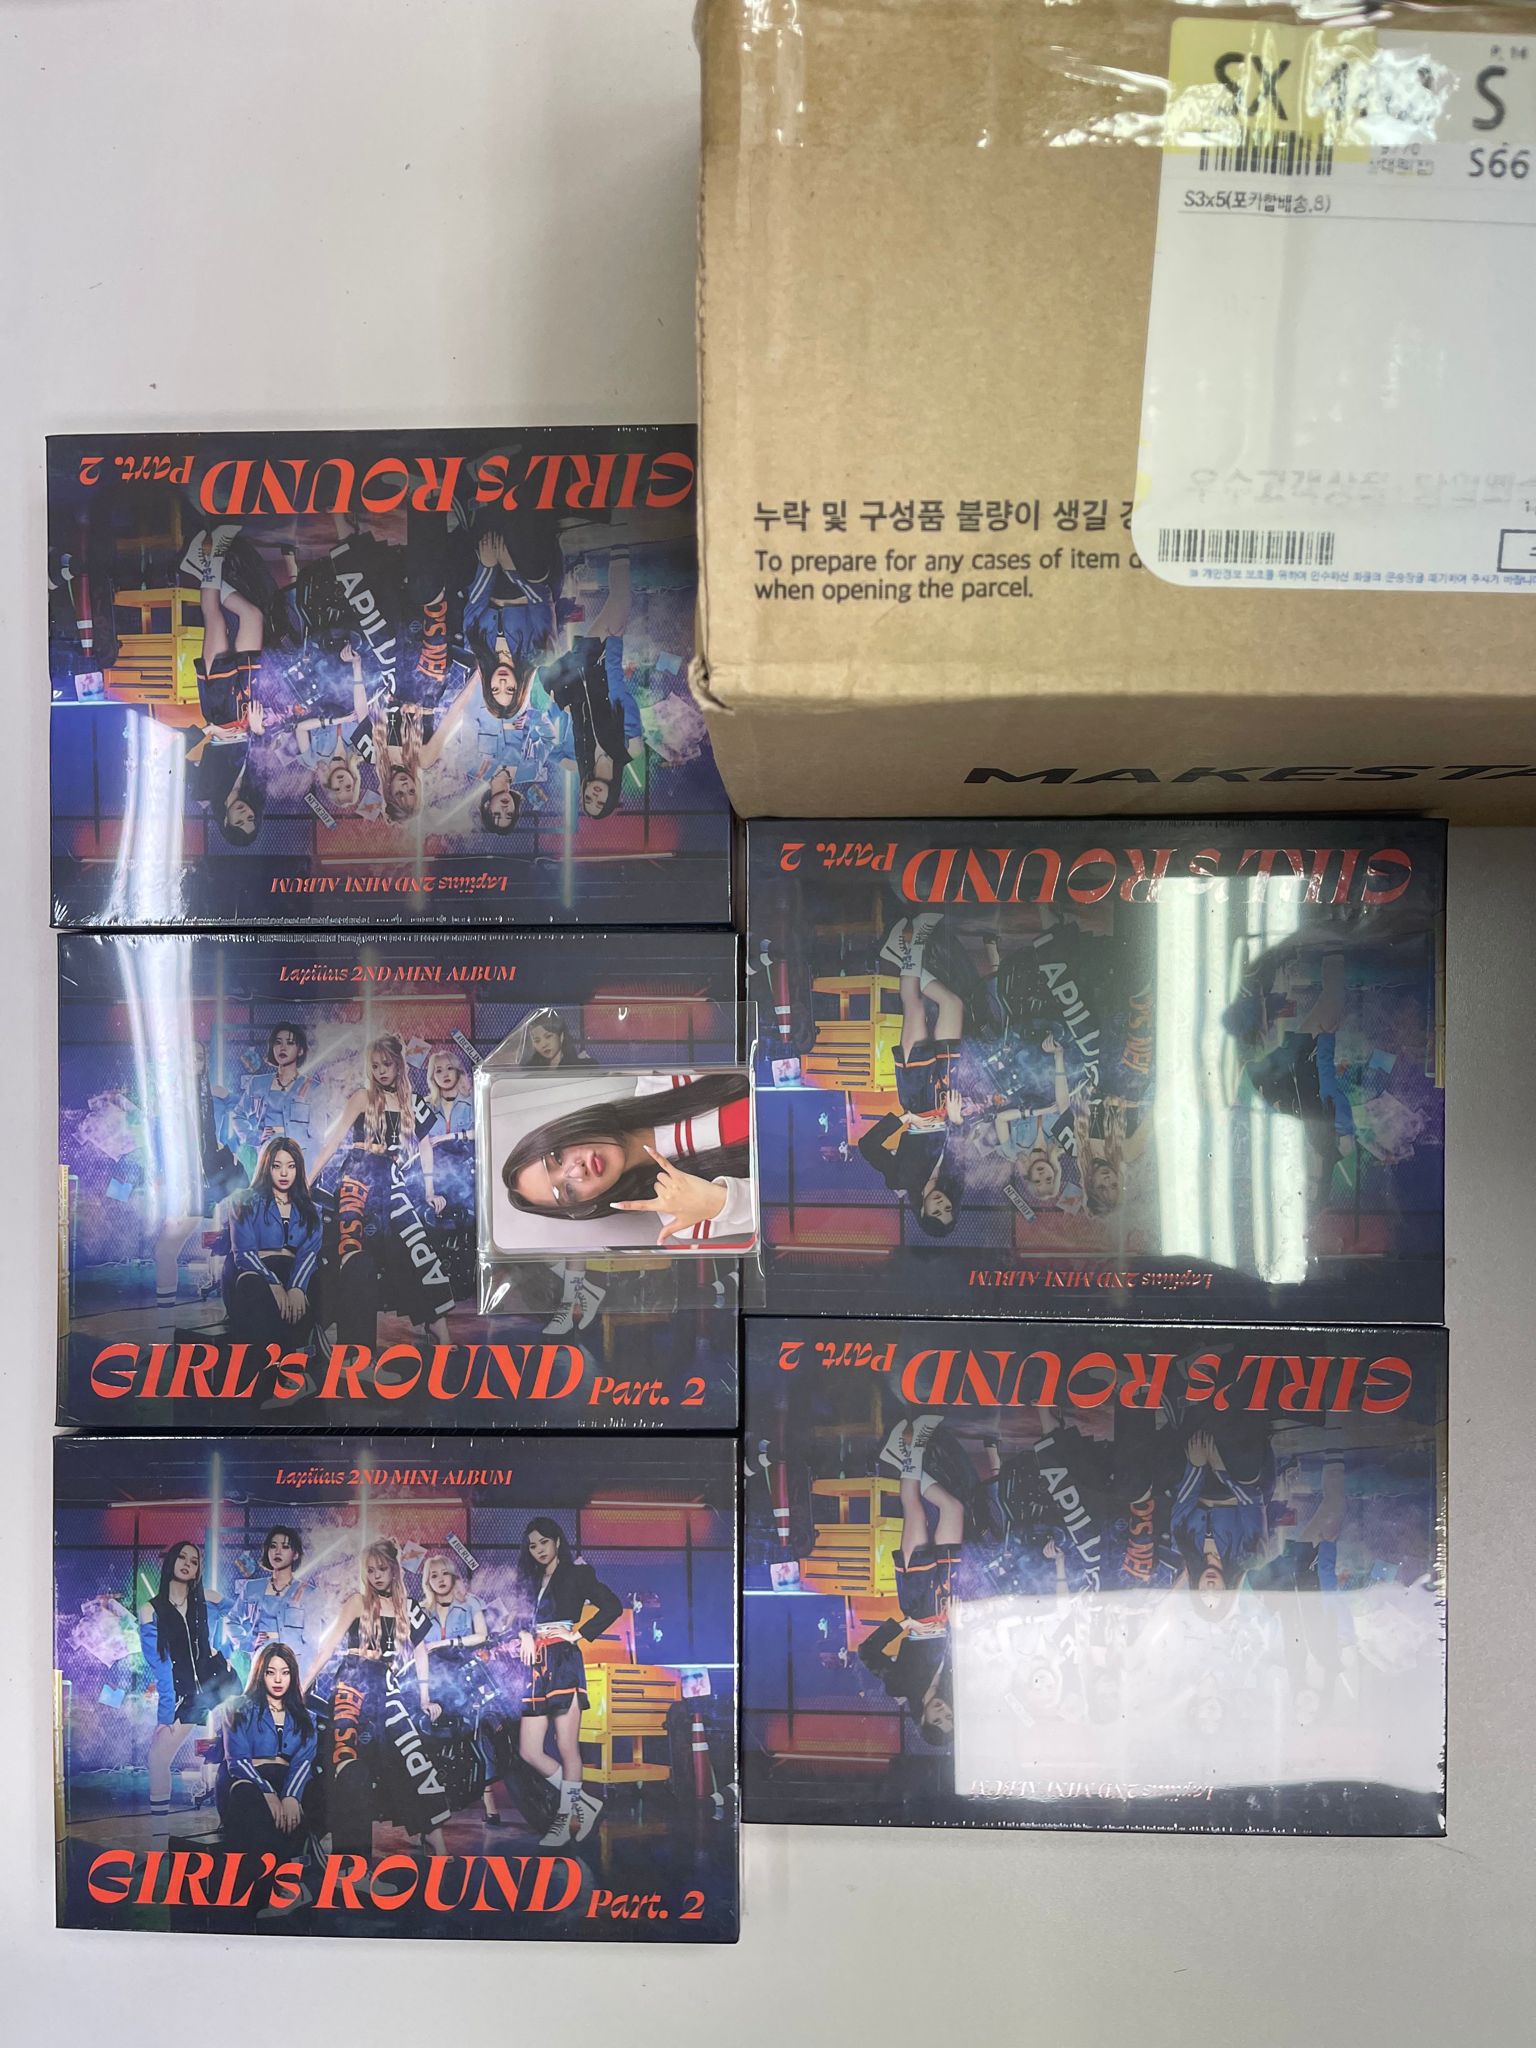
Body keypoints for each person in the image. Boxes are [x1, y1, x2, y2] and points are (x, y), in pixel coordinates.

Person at [302, 1538, 448, 1856]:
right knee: (345, 1756)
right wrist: (301, 1687)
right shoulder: (357, 1602)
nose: (376, 1576)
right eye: (370, 1570)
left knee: (413, 1753)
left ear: (395, 1569)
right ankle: (342, 1851)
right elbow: (327, 1648)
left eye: (382, 1569)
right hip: (351, 1680)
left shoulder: (408, 1608)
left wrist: (425, 1697)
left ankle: (434, 1836)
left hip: (386, 1685)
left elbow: (421, 1652)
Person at [308, 1036, 454, 1347]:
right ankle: (339, 1335)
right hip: (357, 1175)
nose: (381, 1071)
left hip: (390, 1178)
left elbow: (425, 1145)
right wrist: (307, 1180)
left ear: (399, 1064)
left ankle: (438, 1325)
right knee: (349, 1248)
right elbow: (334, 1140)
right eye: (375, 1066)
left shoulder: (412, 1102)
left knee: (418, 1244)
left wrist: (430, 1190)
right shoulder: (362, 1097)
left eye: (386, 1064)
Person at [500, 1072, 754, 1248]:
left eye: (556, 1157)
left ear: (564, 1130)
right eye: (568, 1191)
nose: (577, 1172)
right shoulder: (679, 1216)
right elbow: (776, 1208)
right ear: (586, 1204)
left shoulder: (662, 1077)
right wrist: (719, 1201)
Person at [514, 1518, 623, 1848]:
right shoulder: (530, 1579)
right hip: (535, 1666)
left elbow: (613, 1606)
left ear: (557, 1541)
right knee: (529, 1750)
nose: (538, 1550)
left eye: (544, 1542)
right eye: (533, 1545)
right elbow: (520, 1618)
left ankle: (564, 1821)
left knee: (566, 1745)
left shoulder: (577, 1573)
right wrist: (524, 1634)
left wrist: (577, 1634)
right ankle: (585, 1803)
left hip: (564, 1662)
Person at [416, 1552, 518, 1826]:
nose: (439, 1579)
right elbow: (416, 1649)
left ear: (453, 1576)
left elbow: (481, 1636)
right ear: (427, 1581)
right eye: (433, 1575)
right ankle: (432, 1805)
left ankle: (489, 1802)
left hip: (466, 1675)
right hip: (434, 1679)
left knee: (478, 1732)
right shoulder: (421, 1611)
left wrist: (445, 1644)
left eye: (444, 1573)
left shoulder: (470, 1602)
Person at [138, 1539, 236, 1817]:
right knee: (158, 1758)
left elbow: (243, 1618)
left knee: (239, 1750)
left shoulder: (209, 1598)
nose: (187, 1564)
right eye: (182, 1557)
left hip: (218, 1684)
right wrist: (165, 1716)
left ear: (197, 1571)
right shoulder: (150, 1611)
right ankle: (159, 1834)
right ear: (172, 1560)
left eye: (194, 1561)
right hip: (189, 1695)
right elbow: (161, 1667)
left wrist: (225, 1649)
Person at [218, 1643, 318, 1864]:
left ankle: (288, 1869)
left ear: (293, 1675)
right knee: (249, 1798)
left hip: (287, 1781)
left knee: (315, 1795)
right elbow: (237, 1761)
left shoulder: (306, 1717)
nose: (278, 1680)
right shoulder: (237, 1708)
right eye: (270, 1672)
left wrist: (291, 1796)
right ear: (260, 1674)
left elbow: (303, 1762)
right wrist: (267, 1791)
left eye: (285, 1672)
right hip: (247, 1782)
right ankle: (270, 1873)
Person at [222, 1138, 322, 1351]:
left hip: (292, 1273)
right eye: (277, 1166)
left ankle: (295, 1357)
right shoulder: (243, 1201)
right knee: (253, 1286)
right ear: (266, 1167)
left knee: (317, 1284)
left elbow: (309, 1254)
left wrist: (296, 1287)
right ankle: (265, 1363)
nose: (284, 1173)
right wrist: (272, 1282)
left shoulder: (311, 1210)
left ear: (298, 1169)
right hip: (253, 1274)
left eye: (291, 1166)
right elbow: (244, 1253)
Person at [226, 1526, 311, 1666]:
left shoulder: (306, 1592)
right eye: (273, 1546)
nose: (278, 1551)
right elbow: (231, 1620)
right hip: (261, 1662)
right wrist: (248, 1642)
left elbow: (312, 1641)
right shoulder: (252, 1588)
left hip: (294, 1665)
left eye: (285, 1547)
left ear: (295, 1554)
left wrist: (305, 1671)